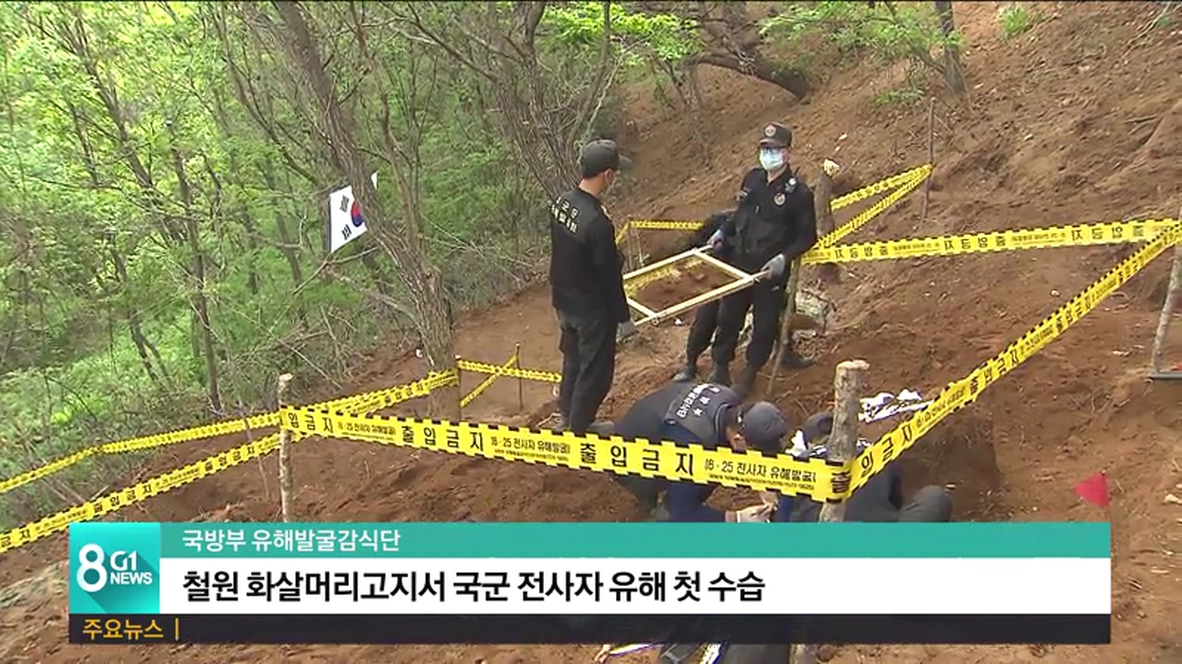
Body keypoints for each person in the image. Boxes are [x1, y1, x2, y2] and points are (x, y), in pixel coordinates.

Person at [706, 122, 818, 397]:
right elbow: (740, 214)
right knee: (728, 316)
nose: (769, 155)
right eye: (765, 149)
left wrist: (784, 257)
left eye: (775, 150)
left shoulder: (798, 193)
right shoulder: (752, 179)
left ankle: (751, 371)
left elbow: (807, 237)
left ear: (787, 152)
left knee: (765, 324)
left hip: (770, 271)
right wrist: (723, 231)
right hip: (739, 261)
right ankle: (720, 365)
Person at [548, 139, 637, 435]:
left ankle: (567, 417)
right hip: (591, 310)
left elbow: (566, 252)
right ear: (607, 175)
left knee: (573, 360)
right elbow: (609, 276)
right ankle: (579, 429)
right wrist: (624, 318)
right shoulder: (597, 223)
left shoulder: (562, 203)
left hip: (564, 301)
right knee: (595, 372)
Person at [609, 381, 790, 523]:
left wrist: (765, 485)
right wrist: (737, 518)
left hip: (658, 424)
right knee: (684, 504)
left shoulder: (729, 403)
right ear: (738, 439)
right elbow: (683, 512)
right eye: (755, 450)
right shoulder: (692, 446)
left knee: (716, 462)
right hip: (627, 458)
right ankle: (659, 511)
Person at [774, 410, 954, 523]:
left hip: (817, 551)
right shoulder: (877, 452)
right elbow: (896, 501)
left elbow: (783, 521)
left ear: (809, 443)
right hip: (883, 545)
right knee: (935, 497)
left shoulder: (797, 466)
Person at [672, 210, 734, 383]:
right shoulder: (719, 220)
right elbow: (694, 243)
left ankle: (720, 367)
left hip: (740, 279)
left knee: (728, 322)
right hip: (714, 279)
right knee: (704, 321)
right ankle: (691, 363)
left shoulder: (754, 223)